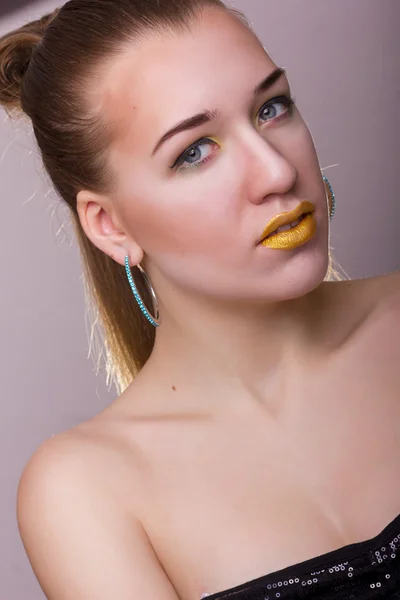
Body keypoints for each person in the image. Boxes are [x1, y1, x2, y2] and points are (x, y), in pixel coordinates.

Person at [1, 0, 399, 598]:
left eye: (272, 108)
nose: (275, 172)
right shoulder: (88, 491)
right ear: (110, 225)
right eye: (194, 151)